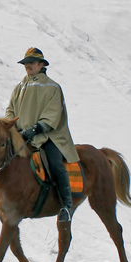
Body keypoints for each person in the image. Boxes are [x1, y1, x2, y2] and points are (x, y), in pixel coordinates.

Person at [6, 47, 79, 223]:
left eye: (31, 63)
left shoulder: (53, 87)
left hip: (48, 136)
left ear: (41, 65)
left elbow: (52, 115)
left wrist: (35, 129)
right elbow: (10, 110)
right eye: (25, 63)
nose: (27, 66)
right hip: (22, 135)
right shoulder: (20, 86)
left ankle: (67, 206)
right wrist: (11, 127)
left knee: (55, 164)